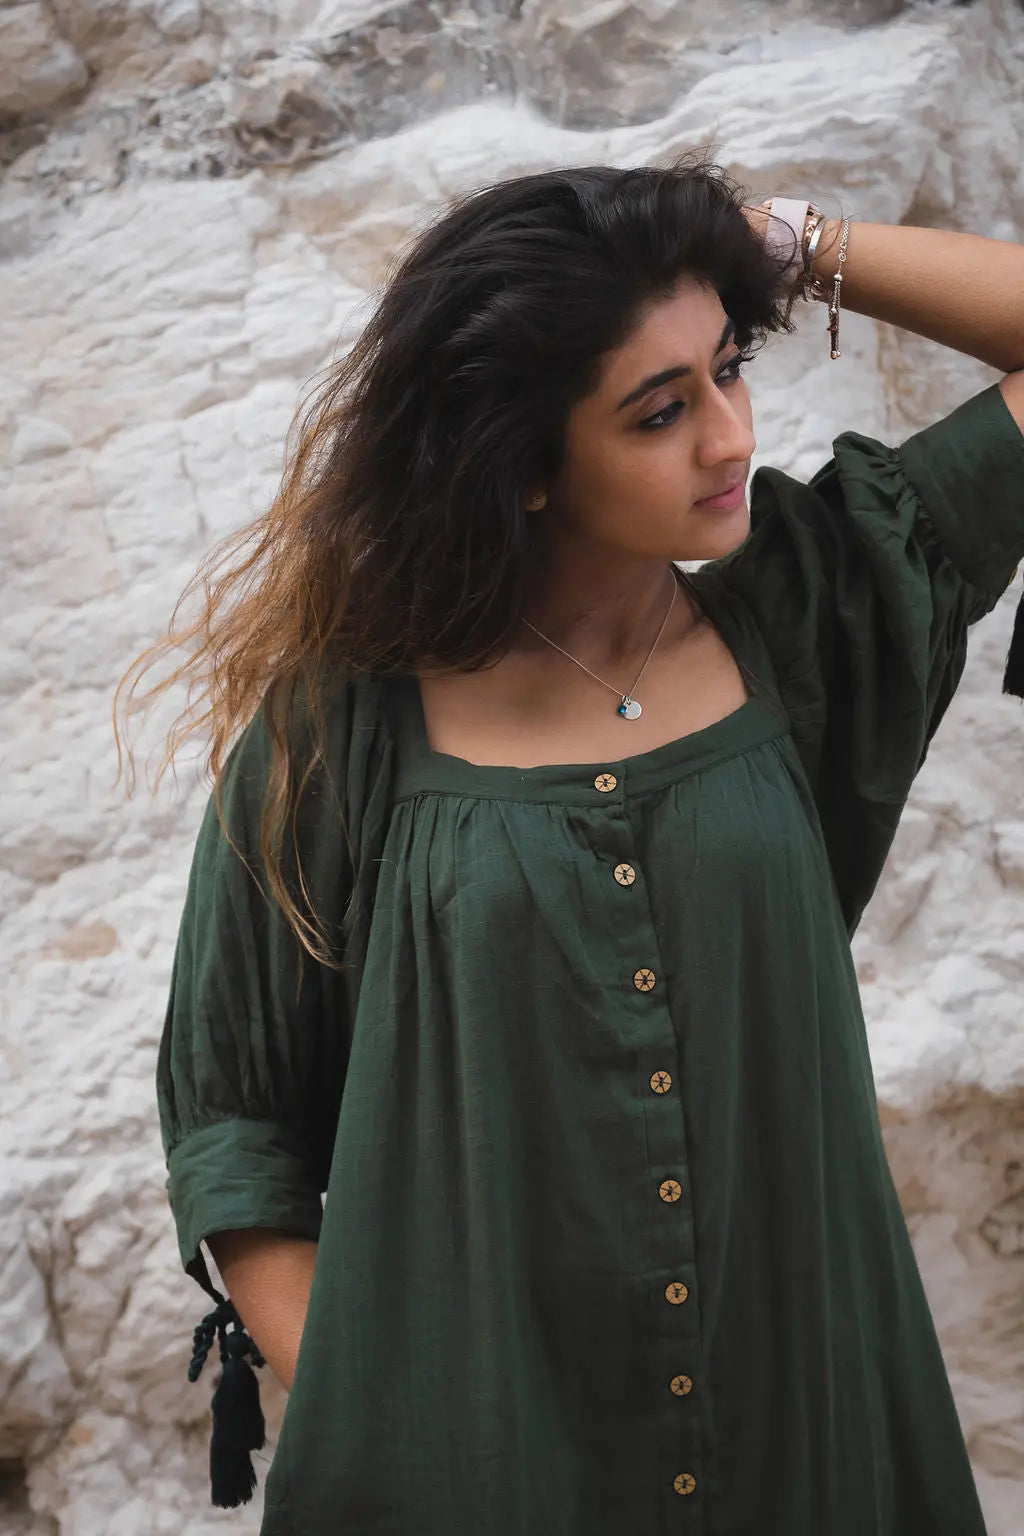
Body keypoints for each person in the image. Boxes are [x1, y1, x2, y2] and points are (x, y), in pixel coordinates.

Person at [115, 152, 1024, 1535]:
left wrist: (773, 239)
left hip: (808, 1438)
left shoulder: (810, 616)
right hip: (484, 1483)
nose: (729, 438)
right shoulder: (340, 733)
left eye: (730, 370)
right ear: (524, 460)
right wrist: (390, 1431)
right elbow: (236, 1130)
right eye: (661, 410)